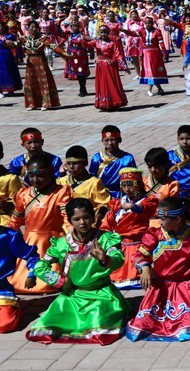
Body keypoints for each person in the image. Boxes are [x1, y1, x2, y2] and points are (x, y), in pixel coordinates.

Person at [25, 198, 129, 345]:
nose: (82, 222)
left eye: (86, 218)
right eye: (77, 219)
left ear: (93, 217)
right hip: (72, 295)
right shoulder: (62, 244)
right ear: (70, 221)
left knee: (99, 318)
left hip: (101, 294)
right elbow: (40, 266)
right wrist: (58, 280)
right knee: (51, 319)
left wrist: (104, 258)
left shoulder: (105, 239)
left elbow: (118, 259)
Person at [125, 197, 190, 342]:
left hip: (183, 287)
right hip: (160, 287)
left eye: (163, 219)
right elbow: (139, 255)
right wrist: (144, 267)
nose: (160, 222)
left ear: (177, 219)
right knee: (144, 324)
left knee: (185, 325)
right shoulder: (154, 234)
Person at [7, 154, 72, 294]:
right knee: (19, 279)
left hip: (52, 240)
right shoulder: (23, 194)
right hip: (30, 240)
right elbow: (16, 220)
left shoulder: (60, 192)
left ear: (50, 174)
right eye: (31, 175)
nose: (35, 180)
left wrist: (72, 236)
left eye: (40, 175)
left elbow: (67, 218)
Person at [101, 168, 158, 289]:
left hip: (140, 246)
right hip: (120, 245)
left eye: (131, 185)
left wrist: (133, 207)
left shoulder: (149, 201)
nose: (127, 189)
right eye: (124, 185)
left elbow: (147, 208)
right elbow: (107, 225)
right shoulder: (116, 203)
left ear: (139, 185)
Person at [18, 21, 69, 110]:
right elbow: (15, 44)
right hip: (30, 62)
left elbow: (54, 47)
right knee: (29, 82)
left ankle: (45, 103)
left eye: (35, 27)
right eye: (32, 27)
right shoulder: (24, 39)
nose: (33, 29)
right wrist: (8, 43)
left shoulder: (43, 39)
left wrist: (65, 54)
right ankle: (31, 104)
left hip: (40, 61)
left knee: (43, 82)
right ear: (28, 28)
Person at [60, 145, 111, 220]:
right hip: (64, 223)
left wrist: (97, 217)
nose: (71, 167)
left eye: (75, 163)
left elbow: (104, 204)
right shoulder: (61, 181)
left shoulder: (94, 182)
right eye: (68, 163)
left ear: (85, 163)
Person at [86, 24, 130, 111]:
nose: (103, 34)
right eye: (101, 32)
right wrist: (83, 37)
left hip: (110, 66)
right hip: (100, 66)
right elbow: (85, 45)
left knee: (111, 83)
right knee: (102, 83)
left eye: (105, 32)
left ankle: (114, 102)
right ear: (99, 33)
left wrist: (124, 67)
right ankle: (104, 103)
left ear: (108, 33)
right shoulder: (96, 42)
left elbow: (118, 55)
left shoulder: (112, 43)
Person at [89, 126, 137, 198]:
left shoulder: (127, 158)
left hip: (121, 195)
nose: (110, 143)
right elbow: (92, 178)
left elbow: (134, 179)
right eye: (106, 140)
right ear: (102, 141)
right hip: (101, 194)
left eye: (113, 140)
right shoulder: (97, 158)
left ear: (119, 140)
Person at [0, 21, 23, 97]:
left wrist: (19, 56)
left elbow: (18, 45)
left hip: (7, 55)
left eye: (0, 26)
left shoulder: (10, 36)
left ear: (4, 27)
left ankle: (10, 89)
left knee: (8, 71)